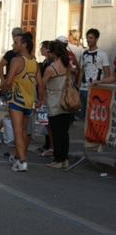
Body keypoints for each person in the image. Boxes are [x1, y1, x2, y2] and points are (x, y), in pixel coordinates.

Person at [0, 32, 44, 172]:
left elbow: (9, 80)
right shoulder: (34, 63)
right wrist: (40, 100)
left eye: (16, 42)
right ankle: (19, 156)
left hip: (16, 100)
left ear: (24, 45)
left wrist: (1, 91)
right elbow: (41, 84)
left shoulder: (16, 61)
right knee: (23, 131)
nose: (13, 45)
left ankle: (22, 160)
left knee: (18, 131)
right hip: (29, 101)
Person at [0, 27, 24, 146]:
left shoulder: (27, 56)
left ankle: (1, 131)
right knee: (13, 111)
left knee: (17, 113)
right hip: (11, 86)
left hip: (22, 88)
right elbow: (0, 66)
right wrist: (4, 80)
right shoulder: (10, 54)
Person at [42, 40, 72, 169]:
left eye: (49, 51)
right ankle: (64, 158)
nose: (48, 54)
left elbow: (42, 84)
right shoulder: (67, 65)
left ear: (54, 53)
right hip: (66, 101)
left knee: (56, 132)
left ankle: (58, 159)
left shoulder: (51, 68)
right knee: (64, 132)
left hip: (55, 100)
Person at [77, 28, 110, 119]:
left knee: (94, 116)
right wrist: (78, 87)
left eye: (91, 38)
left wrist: (104, 87)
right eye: (87, 38)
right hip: (83, 89)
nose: (88, 40)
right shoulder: (84, 54)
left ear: (96, 39)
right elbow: (82, 71)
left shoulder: (102, 54)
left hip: (96, 89)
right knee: (84, 116)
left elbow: (107, 73)